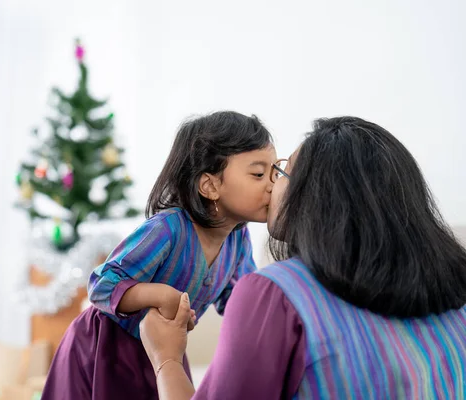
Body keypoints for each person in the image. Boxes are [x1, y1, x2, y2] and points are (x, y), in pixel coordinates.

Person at [140, 116, 466, 399]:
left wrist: (166, 359)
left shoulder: (274, 295)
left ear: (315, 195)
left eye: (280, 172)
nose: (270, 186)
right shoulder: (456, 295)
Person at [41, 111, 277, 399]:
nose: (271, 184)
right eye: (258, 174)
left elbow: (239, 302)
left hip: (164, 352)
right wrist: (161, 295)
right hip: (106, 349)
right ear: (210, 186)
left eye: (275, 173)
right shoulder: (168, 229)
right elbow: (101, 285)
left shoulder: (238, 240)